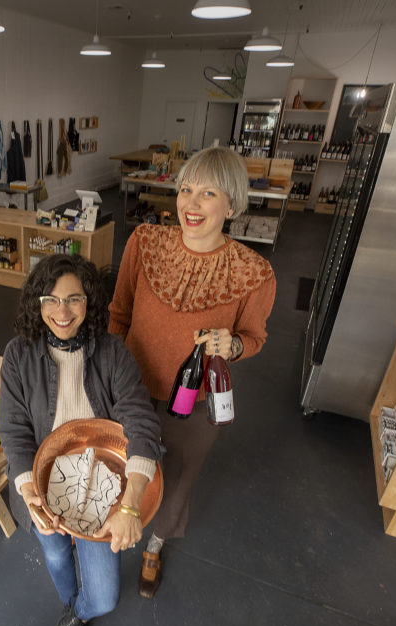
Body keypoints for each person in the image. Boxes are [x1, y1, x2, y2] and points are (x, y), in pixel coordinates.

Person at [108, 145, 276, 598]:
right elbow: (119, 314)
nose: (191, 203)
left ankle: (155, 545)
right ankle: (118, 521)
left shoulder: (253, 273)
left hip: (194, 402)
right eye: (186, 190)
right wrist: (108, 374)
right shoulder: (145, 243)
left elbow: (254, 338)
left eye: (208, 193)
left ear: (232, 206)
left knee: (178, 473)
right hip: (130, 389)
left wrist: (232, 345)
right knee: (123, 462)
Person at [0, 253, 163, 626]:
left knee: (104, 597)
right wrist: (30, 494)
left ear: (89, 301)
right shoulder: (19, 355)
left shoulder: (113, 353)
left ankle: (80, 615)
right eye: (51, 300)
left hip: (101, 482)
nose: (62, 311)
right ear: (37, 303)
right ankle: (70, 601)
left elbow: (141, 422)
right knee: (57, 554)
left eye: (74, 298)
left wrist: (129, 506)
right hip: (42, 483)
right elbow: (14, 431)